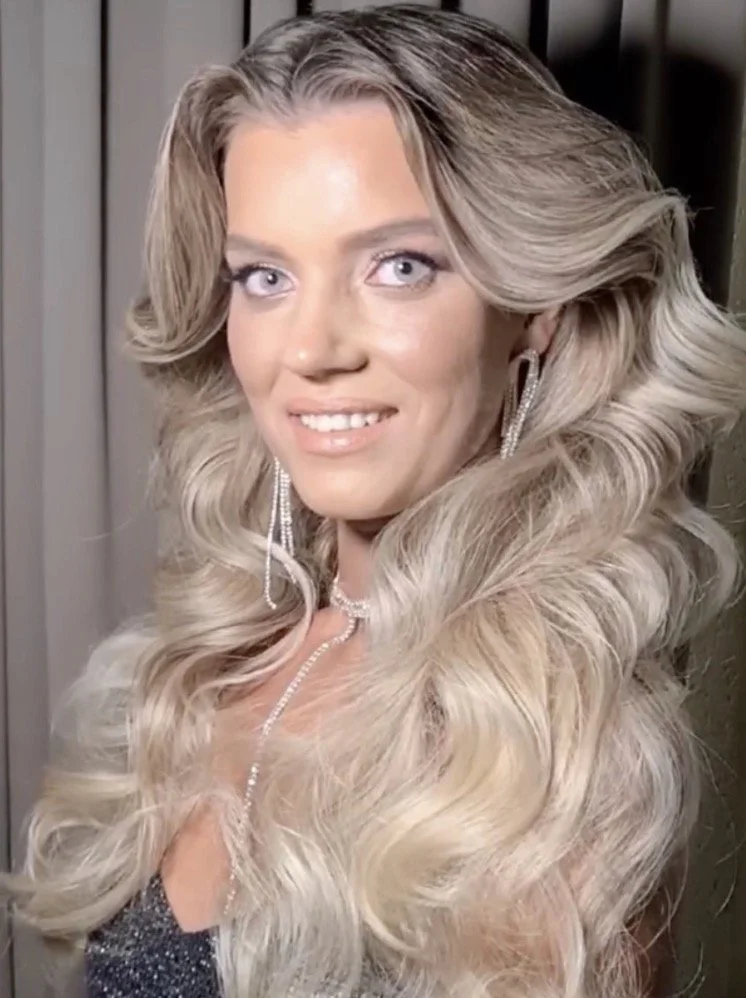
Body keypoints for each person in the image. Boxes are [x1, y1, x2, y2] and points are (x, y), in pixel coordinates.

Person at [3, 4, 745, 997]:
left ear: (531, 310)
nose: (310, 349)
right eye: (263, 276)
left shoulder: (556, 760)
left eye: (398, 266)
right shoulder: (197, 671)